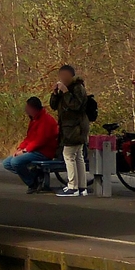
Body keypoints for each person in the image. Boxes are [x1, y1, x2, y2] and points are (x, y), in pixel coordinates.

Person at [2, 96, 59, 193]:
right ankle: (35, 177)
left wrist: (25, 151)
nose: (26, 110)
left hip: (44, 152)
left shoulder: (45, 120)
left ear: (33, 108)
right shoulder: (34, 120)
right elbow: (29, 138)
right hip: (34, 150)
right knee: (7, 163)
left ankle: (32, 183)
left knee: (16, 162)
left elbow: (40, 140)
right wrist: (20, 148)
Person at [50, 64, 89, 196]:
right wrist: (55, 93)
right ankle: (81, 187)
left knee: (69, 155)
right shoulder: (64, 88)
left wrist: (66, 92)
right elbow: (53, 106)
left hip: (76, 128)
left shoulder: (78, 88)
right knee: (78, 156)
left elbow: (76, 106)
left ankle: (73, 186)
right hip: (67, 127)